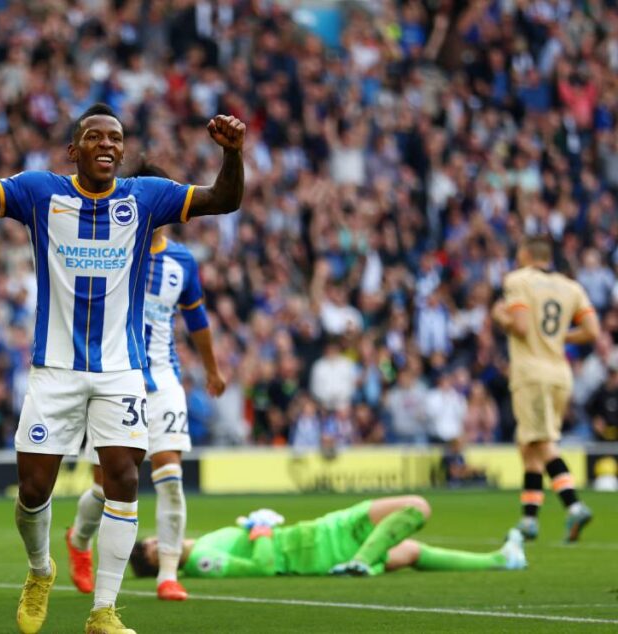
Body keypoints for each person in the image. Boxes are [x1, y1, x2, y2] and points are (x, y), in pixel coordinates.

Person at [0, 103, 244, 634]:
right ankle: (41, 570)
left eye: (116, 138)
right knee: (33, 490)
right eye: (95, 137)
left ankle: (104, 610)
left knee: (124, 478)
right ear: (73, 150)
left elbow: (224, 198)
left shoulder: (144, 198)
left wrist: (232, 153)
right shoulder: (40, 192)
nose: (107, 144)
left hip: (121, 370)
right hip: (55, 369)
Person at [65, 162, 226, 603]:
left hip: (164, 379)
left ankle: (168, 574)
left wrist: (212, 369)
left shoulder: (182, 261)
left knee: (170, 477)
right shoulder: (112, 248)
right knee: (106, 486)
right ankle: (78, 540)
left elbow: (197, 319)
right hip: (114, 378)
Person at [127, 495, 527, 580]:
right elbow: (263, 567)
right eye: (155, 551)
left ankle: (501, 560)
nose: (162, 544)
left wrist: (255, 526)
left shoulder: (201, 544)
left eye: (154, 540)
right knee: (417, 510)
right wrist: (262, 530)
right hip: (321, 544)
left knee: (412, 547)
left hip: (320, 536)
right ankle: (362, 561)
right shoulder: (202, 563)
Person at [491, 235, 599, 542]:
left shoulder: (518, 280)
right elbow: (592, 331)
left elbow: (521, 327)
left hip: (531, 373)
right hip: (560, 374)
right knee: (529, 445)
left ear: (525, 254)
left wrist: (500, 317)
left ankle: (574, 505)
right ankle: (529, 520)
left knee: (542, 441)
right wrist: (559, 338)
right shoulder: (571, 286)